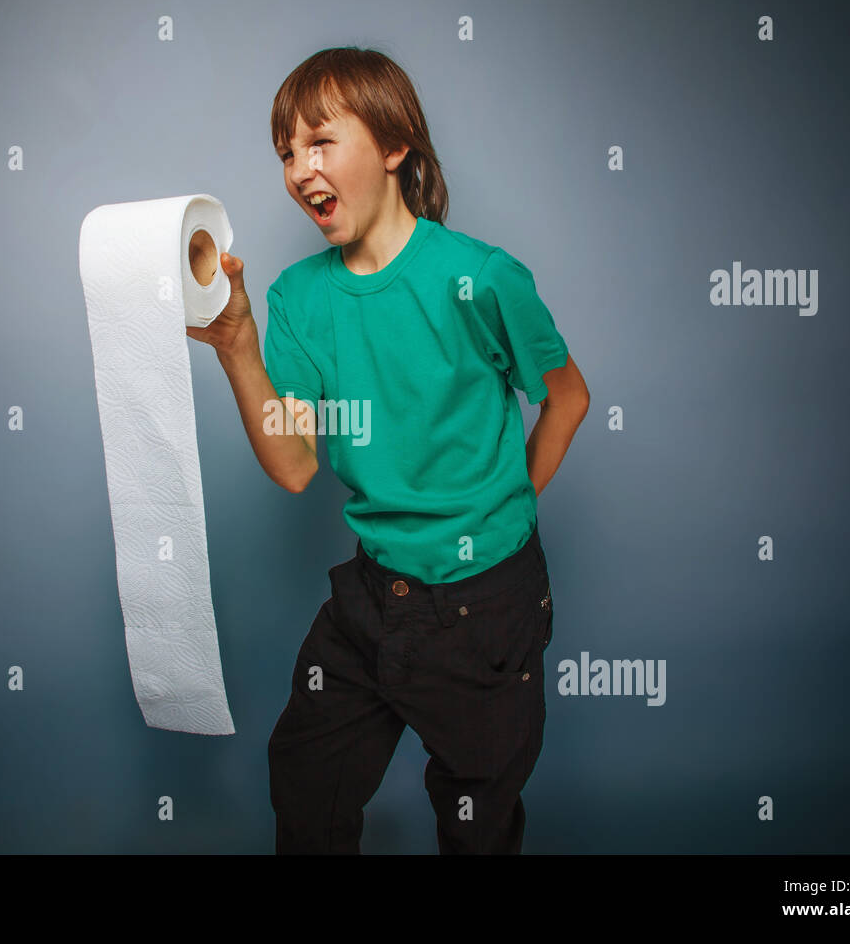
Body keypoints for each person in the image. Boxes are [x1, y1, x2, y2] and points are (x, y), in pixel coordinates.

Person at [187, 47, 590, 853]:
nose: (301, 170)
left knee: (476, 817)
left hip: (487, 606)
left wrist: (501, 509)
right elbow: (295, 463)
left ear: (395, 144)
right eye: (286, 153)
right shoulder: (297, 299)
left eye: (321, 141)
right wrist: (237, 346)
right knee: (305, 777)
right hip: (374, 600)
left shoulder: (480, 278)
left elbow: (566, 397)